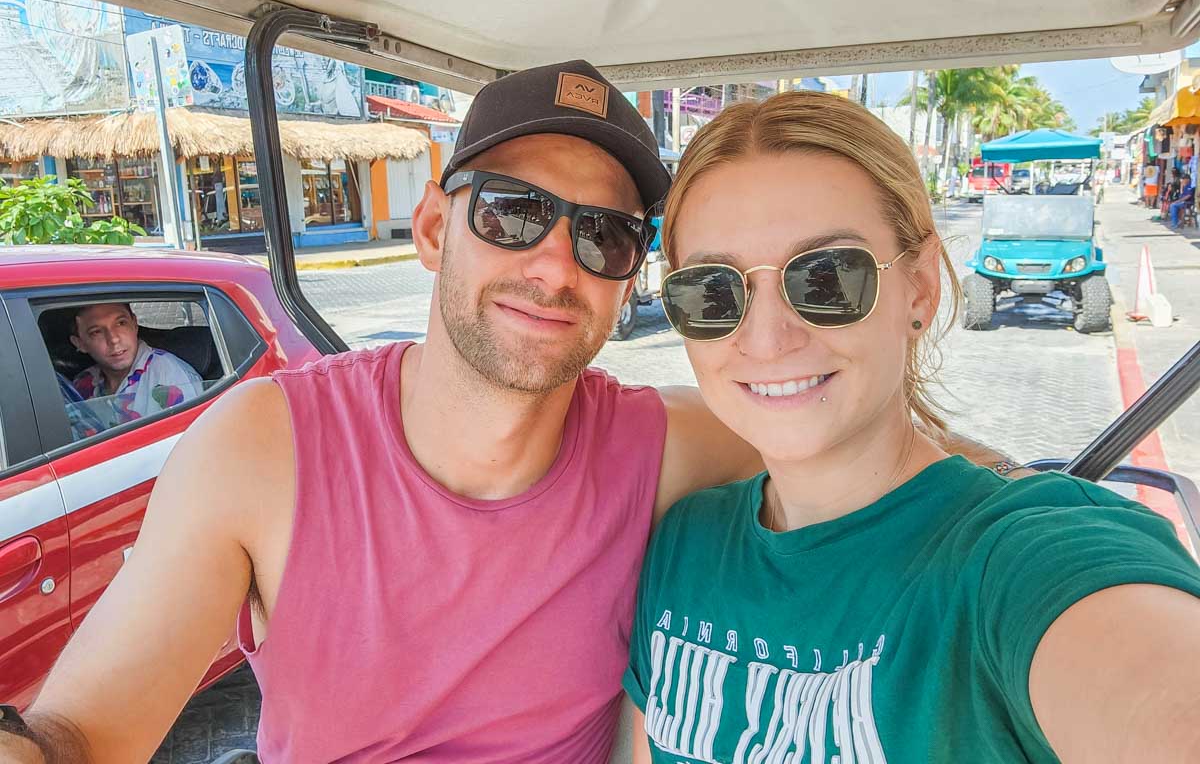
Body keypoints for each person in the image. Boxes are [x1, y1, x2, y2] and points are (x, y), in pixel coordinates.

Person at [0, 62, 1017, 764]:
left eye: (606, 238)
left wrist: (1040, 505)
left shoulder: (660, 444)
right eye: (514, 211)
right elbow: (82, 734)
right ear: (437, 225)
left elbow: (876, 447)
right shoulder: (265, 447)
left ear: (628, 286)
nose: (553, 263)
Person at [624, 91, 1200, 762]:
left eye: (828, 277)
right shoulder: (685, 547)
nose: (768, 338)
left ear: (920, 287)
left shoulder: (1016, 557)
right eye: (712, 291)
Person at [71, 302, 203, 423]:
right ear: (80, 343)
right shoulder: (82, 383)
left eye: (121, 323)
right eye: (96, 332)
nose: (114, 339)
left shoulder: (171, 376)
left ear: (134, 324)